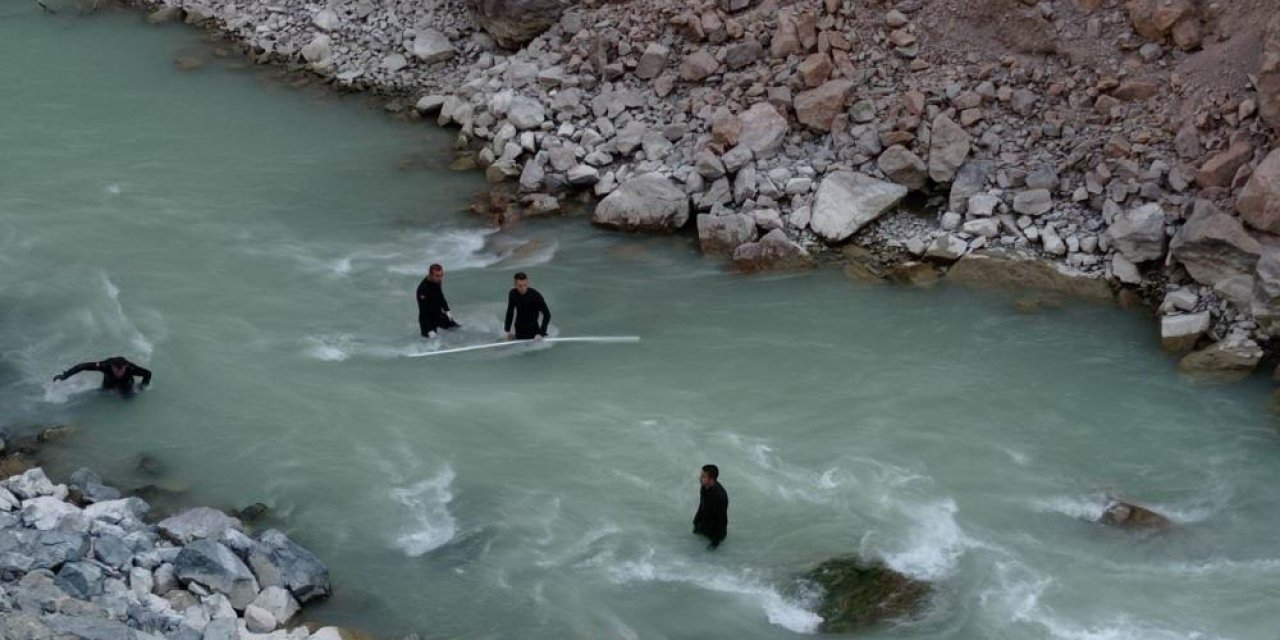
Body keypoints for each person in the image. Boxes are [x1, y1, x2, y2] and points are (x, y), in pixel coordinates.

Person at [53, 356, 152, 397]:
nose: (119, 373)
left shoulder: (131, 368)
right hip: (109, 381)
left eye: (121, 370)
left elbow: (148, 373)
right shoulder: (105, 366)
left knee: (128, 398)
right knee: (103, 395)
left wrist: (142, 386)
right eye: (116, 370)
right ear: (112, 366)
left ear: (125, 367)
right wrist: (64, 376)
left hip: (126, 383)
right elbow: (82, 366)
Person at [503, 272, 551, 340]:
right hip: (519, 332)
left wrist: (541, 333)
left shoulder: (535, 296)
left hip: (533, 334)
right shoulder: (513, 294)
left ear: (527, 283)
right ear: (515, 285)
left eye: (525, 285)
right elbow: (510, 312)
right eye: (520, 286)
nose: (523, 288)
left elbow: (547, 315)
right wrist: (507, 330)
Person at [417, 263, 459, 338]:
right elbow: (423, 312)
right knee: (433, 345)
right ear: (430, 274)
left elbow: (440, 296)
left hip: (438, 315)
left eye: (441, 275)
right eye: (437, 276)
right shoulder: (422, 289)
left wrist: (447, 310)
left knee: (457, 329)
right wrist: (429, 330)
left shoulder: (437, 281)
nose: (440, 278)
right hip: (426, 320)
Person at [693, 464, 728, 549]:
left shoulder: (720, 497)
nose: (700, 478)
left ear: (711, 479)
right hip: (704, 525)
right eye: (701, 475)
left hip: (714, 533)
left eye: (703, 476)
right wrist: (696, 521)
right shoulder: (704, 487)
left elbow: (722, 520)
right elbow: (702, 505)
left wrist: (715, 542)